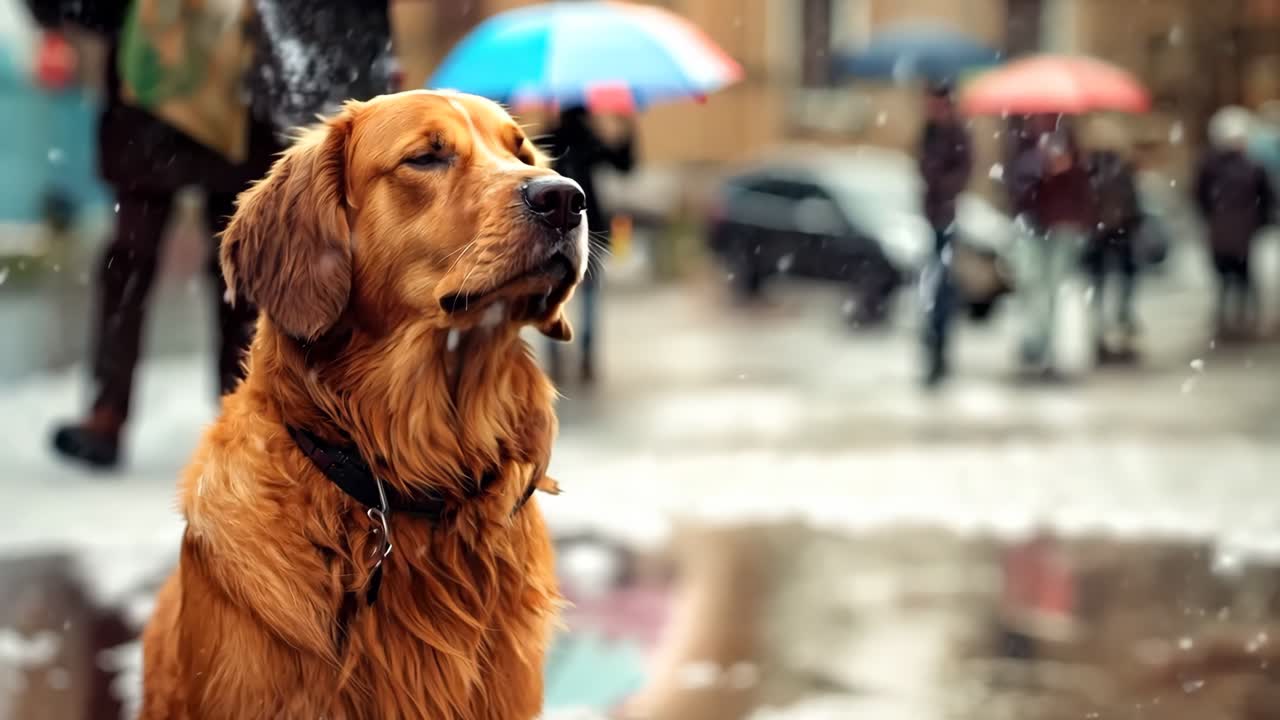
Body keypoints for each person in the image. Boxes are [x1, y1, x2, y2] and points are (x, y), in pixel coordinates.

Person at [37, 0, 422, 468]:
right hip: (159, 83)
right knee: (134, 252)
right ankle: (110, 412)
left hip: (244, 85)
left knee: (237, 261)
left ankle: (241, 411)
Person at [543, 105, 635, 386]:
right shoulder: (589, 140)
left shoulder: (552, 138)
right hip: (589, 226)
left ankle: (555, 356)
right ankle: (586, 357)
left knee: (550, 296)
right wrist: (627, 128)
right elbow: (625, 165)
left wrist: (547, 123)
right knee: (589, 295)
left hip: (550, 229)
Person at [1008, 115, 1098, 377]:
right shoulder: (1025, 143)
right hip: (1037, 226)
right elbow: (1018, 184)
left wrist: (1067, 169)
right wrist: (1041, 167)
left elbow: (1082, 186)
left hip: (1062, 226)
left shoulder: (1069, 141)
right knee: (1036, 289)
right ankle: (1037, 345)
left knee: (1054, 290)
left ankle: (1048, 349)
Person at [1195, 106, 1276, 340]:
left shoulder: (1211, 165)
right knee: (1241, 277)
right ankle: (1239, 318)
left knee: (1229, 278)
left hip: (1226, 229)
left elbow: (1200, 196)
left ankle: (1231, 319)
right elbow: (1267, 198)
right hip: (1240, 229)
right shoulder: (1250, 166)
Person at [918, 81, 973, 388]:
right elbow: (923, 168)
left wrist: (941, 183)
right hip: (930, 218)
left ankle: (940, 351)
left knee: (941, 288)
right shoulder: (929, 132)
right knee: (930, 288)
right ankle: (932, 350)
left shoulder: (956, 134)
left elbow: (961, 173)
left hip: (946, 219)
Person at [1083, 120, 1145, 363]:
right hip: (1116, 234)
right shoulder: (1118, 168)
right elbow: (1132, 201)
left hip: (1105, 234)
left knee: (1103, 287)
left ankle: (1106, 333)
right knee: (1119, 286)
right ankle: (1116, 331)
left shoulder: (1091, 168)